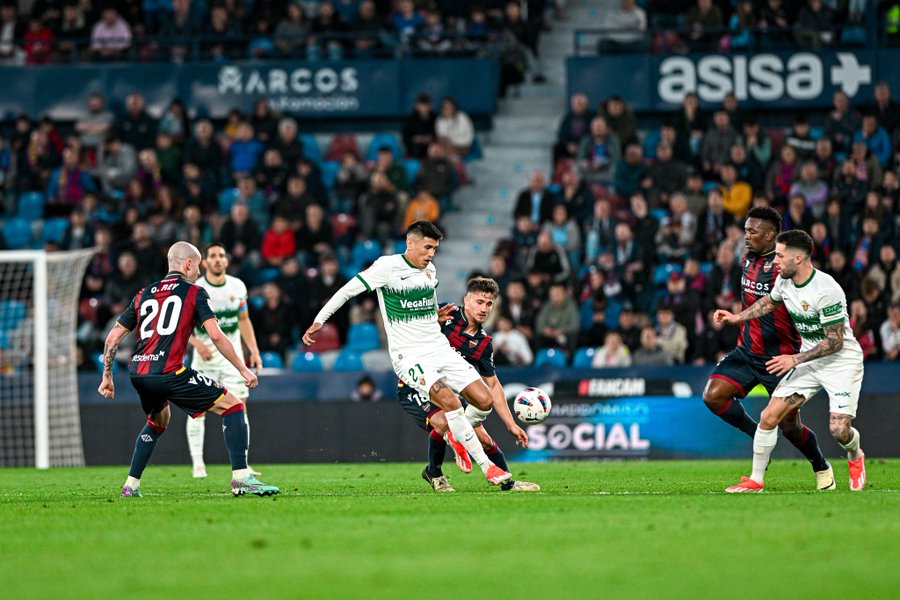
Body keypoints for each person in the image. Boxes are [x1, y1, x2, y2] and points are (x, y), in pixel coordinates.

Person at [303, 221, 513, 486]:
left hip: (437, 347)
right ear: (410, 243)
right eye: (427, 247)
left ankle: (458, 433)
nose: (431, 254)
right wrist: (320, 320)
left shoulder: (429, 270)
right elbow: (346, 291)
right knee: (451, 403)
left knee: (483, 400)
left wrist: (433, 317)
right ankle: (487, 467)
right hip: (409, 356)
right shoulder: (387, 268)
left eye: (435, 249)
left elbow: (428, 302)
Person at [97, 242, 279, 497]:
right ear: (189, 264)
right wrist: (243, 369)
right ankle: (242, 478)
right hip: (169, 371)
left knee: (158, 421)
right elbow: (216, 335)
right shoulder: (194, 291)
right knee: (234, 406)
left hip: (139, 373)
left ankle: (131, 485)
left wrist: (107, 377)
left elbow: (112, 338)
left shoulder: (144, 293)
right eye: (197, 265)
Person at [717, 230, 866, 492]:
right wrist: (735, 318)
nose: (775, 261)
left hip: (841, 363)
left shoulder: (826, 289)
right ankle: (756, 480)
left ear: (798, 259)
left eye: (780, 256)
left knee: (839, 430)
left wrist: (794, 358)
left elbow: (835, 342)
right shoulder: (785, 282)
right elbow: (768, 303)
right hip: (809, 361)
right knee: (769, 416)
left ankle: (855, 456)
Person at [703, 208, 831, 490]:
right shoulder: (747, 258)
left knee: (789, 427)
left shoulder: (785, 268)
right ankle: (756, 434)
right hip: (747, 351)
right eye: (746, 230)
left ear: (771, 235)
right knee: (713, 396)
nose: (746, 236)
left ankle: (821, 466)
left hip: (780, 359)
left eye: (752, 231)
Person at [397, 277, 537, 492]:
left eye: (489, 304)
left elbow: (493, 384)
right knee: (443, 423)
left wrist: (511, 424)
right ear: (467, 300)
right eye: (479, 302)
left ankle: (507, 483)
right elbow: (408, 330)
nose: (484, 308)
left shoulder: (483, 343)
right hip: (415, 384)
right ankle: (435, 473)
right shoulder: (446, 313)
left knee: (486, 441)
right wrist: (433, 319)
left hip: (448, 394)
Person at [186, 242, 263, 479]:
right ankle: (198, 465)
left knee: (241, 407)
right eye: (213, 256)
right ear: (206, 262)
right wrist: (197, 343)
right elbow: (182, 324)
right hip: (204, 359)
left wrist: (254, 350)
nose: (218, 259)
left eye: (222, 255)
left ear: (227, 261)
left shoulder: (238, 286)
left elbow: (244, 320)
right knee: (197, 411)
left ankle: (243, 464)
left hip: (233, 359)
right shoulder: (196, 288)